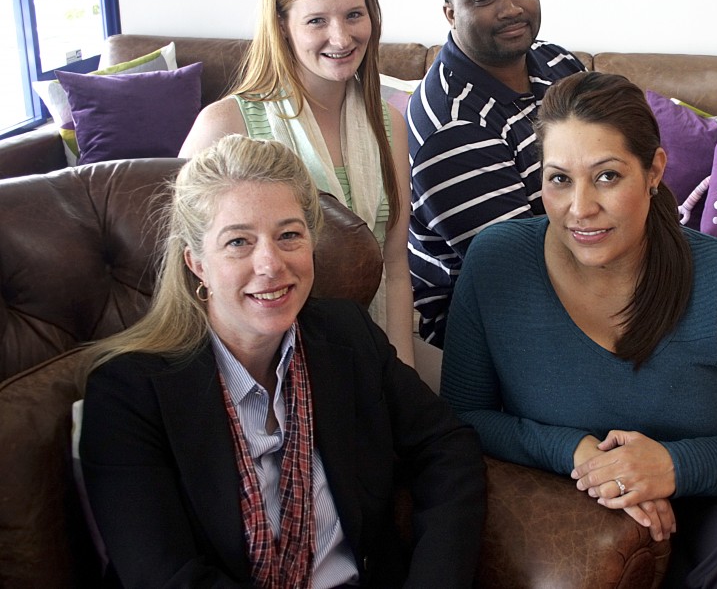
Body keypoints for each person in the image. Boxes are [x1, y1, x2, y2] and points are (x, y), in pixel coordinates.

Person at [440, 72, 717, 587]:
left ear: (654, 170)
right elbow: (463, 415)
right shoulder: (495, 262)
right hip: (567, 491)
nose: (580, 208)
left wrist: (671, 466)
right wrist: (577, 453)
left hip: (712, 492)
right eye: (559, 179)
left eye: (607, 176)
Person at [81, 135, 486, 588]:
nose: (270, 264)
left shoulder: (347, 334)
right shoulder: (127, 394)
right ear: (197, 263)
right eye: (238, 242)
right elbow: (168, 578)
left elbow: (447, 447)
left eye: (289, 235)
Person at [180, 0, 415, 365]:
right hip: (262, 360)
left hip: (369, 353)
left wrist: (400, 384)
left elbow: (396, 270)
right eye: (317, 21)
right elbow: (186, 273)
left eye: (353, 15)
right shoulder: (225, 125)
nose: (341, 38)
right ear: (282, 25)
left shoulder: (390, 125)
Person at [406, 0, 586, 348]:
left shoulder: (557, 63)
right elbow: (526, 271)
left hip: (579, 274)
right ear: (451, 14)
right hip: (494, 326)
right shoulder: (450, 125)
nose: (511, 9)